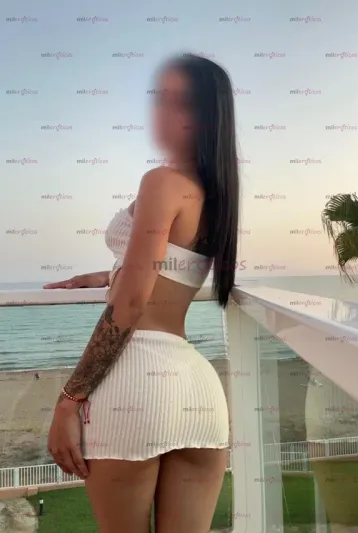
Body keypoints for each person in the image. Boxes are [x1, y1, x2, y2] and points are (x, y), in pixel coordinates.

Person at [44, 54, 239, 533]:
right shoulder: (216, 195)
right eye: (159, 98)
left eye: (178, 102)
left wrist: (69, 400)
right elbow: (168, 266)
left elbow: (131, 303)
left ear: (204, 118)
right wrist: (106, 273)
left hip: (135, 385)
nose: (160, 112)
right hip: (198, 391)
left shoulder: (162, 181)